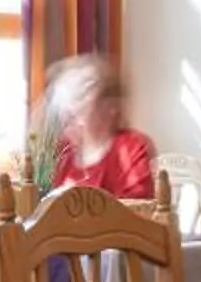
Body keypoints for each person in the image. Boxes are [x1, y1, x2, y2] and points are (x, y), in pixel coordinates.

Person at [42, 52, 156, 199]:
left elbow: (137, 207)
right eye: (72, 95)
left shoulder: (130, 148)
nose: (71, 106)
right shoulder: (65, 152)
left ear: (111, 106)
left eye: (82, 94)